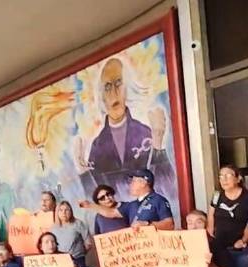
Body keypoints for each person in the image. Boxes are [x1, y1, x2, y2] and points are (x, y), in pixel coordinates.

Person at [74, 58, 175, 200]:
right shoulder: (97, 147)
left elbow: (168, 189)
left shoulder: (145, 133)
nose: (114, 92)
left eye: (118, 83)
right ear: (101, 96)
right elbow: (95, 199)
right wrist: (82, 171)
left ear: (127, 88)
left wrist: (158, 143)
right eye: (107, 87)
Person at [207, 165, 248, 267]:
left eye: (228, 175)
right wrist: (210, 230)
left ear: (238, 178)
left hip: (242, 247)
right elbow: (211, 213)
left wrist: (243, 240)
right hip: (220, 246)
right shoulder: (217, 195)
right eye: (221, 176)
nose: (224, 179)